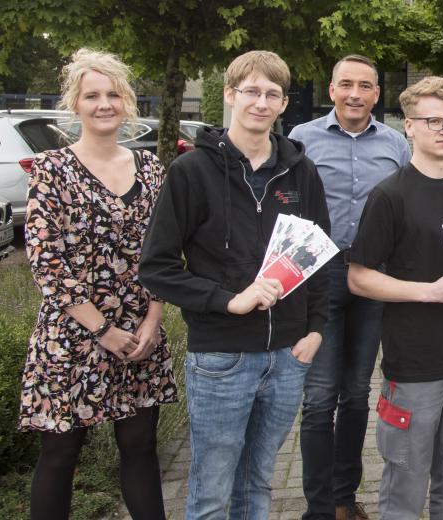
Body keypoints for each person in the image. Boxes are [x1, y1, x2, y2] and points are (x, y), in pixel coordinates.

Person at [139, 50, 331, 518]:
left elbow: (321, 258)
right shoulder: (191, 172)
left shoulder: (300, 172)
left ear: (284, 103)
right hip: (221, 358)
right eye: (251, 92)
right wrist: (229, 301)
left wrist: (316, 330)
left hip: (288, 356)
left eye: (272, 94)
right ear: (230, 95)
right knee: (212, 489)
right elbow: (156, 267)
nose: (261, 103)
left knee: (259, 482)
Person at [21, 48, 176, 520]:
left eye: (113, 94)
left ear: (127, 102)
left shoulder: (151, 171)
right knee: (60, 456)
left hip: (138, 338)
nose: (104, 103)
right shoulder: (51, 169)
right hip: (72, 335)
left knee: (141, 449)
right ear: (76, 104)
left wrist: (153, 318)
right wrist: (101, 329)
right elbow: (46, 261)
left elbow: (164, 252)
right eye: (92, 95)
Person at [347, 76, 443, 519]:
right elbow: (358, 278)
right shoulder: (389, 196)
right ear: (409, 127)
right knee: (405, 480)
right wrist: (426, 292)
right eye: (434, 121)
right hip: (413, 367)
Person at [286, 53, 411, 520]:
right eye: (346, 84)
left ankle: (343, 497)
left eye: (365, 86)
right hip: (319, 277)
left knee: (356, 392)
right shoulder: (302, 139)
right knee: (319, 396)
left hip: (375, 276)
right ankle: (318, 507)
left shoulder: (396, 145)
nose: (355, 94)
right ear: (331, 90)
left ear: (377, 94)